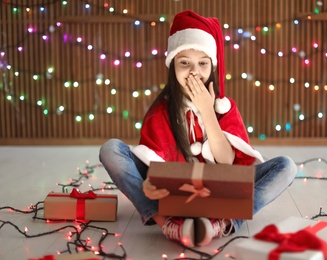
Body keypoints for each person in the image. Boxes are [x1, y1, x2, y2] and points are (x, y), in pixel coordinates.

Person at [99, 10, 297, 248]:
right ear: (173, 66)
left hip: (221, 189)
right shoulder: (161, 110)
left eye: (202, 63)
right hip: (175, 190)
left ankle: (221, 223)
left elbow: (227, 162)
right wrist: (150, 183)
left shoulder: (225, 107)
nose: (194, 72)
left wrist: (207, 111)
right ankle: (166, 223)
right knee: (111, 149)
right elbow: (157, 166)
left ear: (211, 66)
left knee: (286, 166)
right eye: (185, 63)